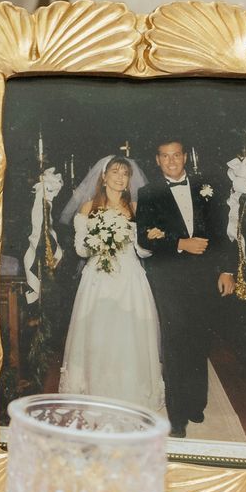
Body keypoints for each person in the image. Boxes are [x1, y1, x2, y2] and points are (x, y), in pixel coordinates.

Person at [137, 137, 236, 438]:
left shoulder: (207, 188)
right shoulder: (148, 192)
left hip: (205, 276)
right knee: (176, 340)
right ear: (157, 160)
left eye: (176, 155)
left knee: (200, 338)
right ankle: (177, 414)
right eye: (164, 156)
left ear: (185, 157)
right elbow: (144, 238)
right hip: (169, 278)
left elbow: (223, 232)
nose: (171, 161)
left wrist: (228, 270)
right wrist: (180, 244)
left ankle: (196, 403)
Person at [60, 156, 165, 417]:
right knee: (98, 336)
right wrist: (99, 242)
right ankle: (96, 392)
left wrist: (151, 240)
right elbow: (80, 249)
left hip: (130, 277)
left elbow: (142, 251)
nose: (120, 178)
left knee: (129, 336)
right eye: (115, 172)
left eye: (125, 173)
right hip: (98, 279)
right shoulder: (87, 207)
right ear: (104, 177)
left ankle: (130, 392)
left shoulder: (137, 207)